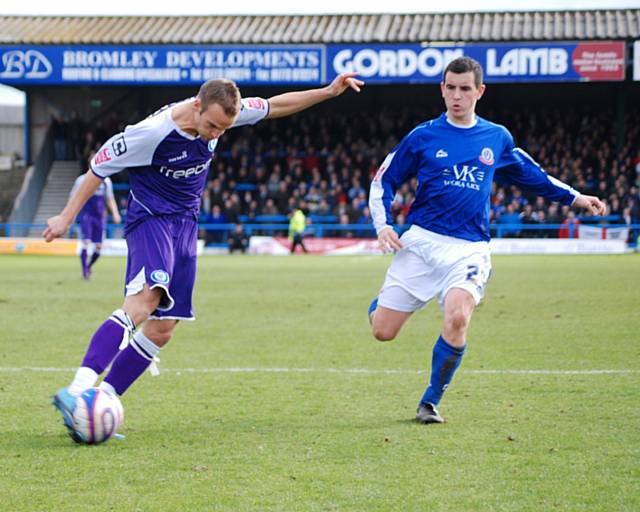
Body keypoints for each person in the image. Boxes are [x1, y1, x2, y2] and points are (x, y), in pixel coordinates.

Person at [43, 73, 363, 442]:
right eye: (211, 125)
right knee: (144, 302)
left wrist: (327, 91)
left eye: (223, 129)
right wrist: (66, 217)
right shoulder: (150, 134)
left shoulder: (227, 114)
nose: (215, 134)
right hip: (151, 219)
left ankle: (101, 402)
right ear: (196, 105)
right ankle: (77, 388)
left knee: (164, 328)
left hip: (186, 225)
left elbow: (276, 106)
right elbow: (96, 169)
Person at [367, 57, 604, 425]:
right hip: (420, 243)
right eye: (450, 88)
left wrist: (575, 198)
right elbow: (384, 180)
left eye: (465, 89)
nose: (457, 96)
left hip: (468, 248)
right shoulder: (423, 135)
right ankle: (382, 303)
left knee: (458, 317)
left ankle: (429, 402)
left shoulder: (496, 137)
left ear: (480, 91)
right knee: (382, 332)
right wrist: (383, 225)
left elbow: (532, 175)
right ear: (442, 89)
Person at [70, 171, 122, 279]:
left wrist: (115, 213)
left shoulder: (106, 181)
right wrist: (71, 214)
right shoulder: (81, 180)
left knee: (99, 247)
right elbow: (73, 197)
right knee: (86, 242)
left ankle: (89, 266)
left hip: (100, 217)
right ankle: (84, 271)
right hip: (87, 215)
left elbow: (110, 199)